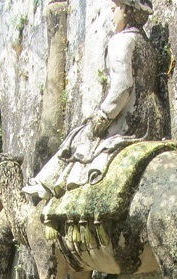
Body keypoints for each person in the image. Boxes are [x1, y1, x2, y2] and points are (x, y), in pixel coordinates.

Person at [22, 0, 166, 200]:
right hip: (152, 119)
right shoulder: (147, 45)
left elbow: (123, 86)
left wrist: (104, 115)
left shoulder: (121, 41)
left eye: (114, 10)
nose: (112, 15)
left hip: (129, 118)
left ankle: (47, 186)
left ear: (126, 11)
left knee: (78, 137)